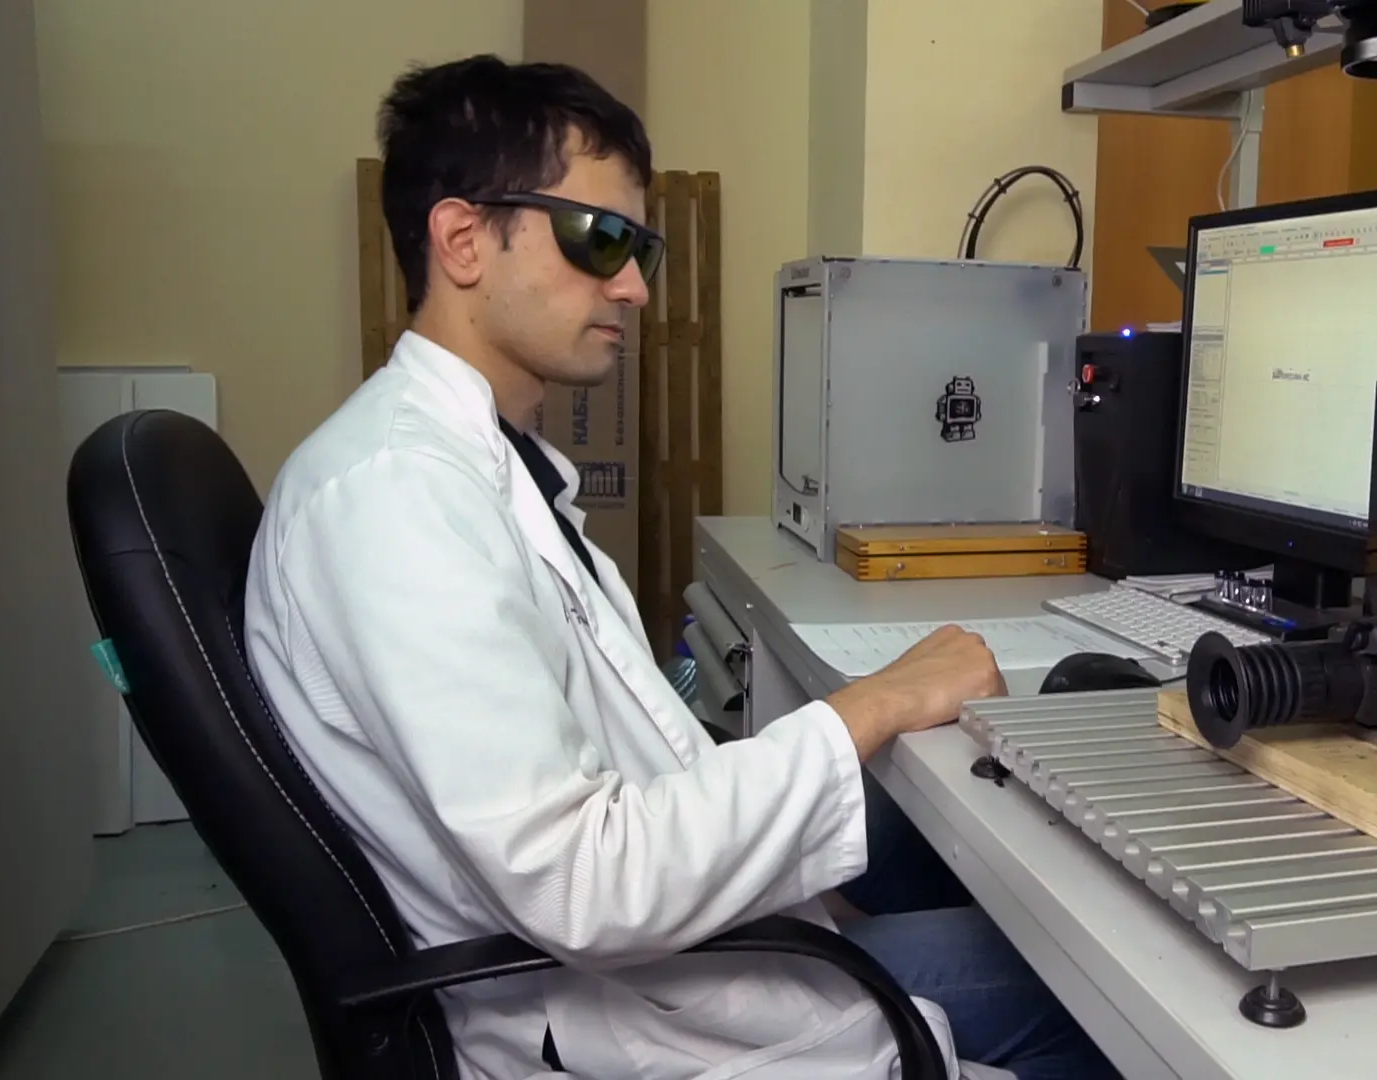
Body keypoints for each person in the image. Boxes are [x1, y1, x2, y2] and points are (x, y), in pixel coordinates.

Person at [243, 55, 1115, 1080]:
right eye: (600, 238)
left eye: (640, 247)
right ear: (464, 239)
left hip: (662, 959)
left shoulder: (476, 469)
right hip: (609, 1014)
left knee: (971, 862)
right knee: (1092, 987)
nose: (636, 286)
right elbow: (580, 882)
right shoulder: (393, 499)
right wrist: (875, 703)